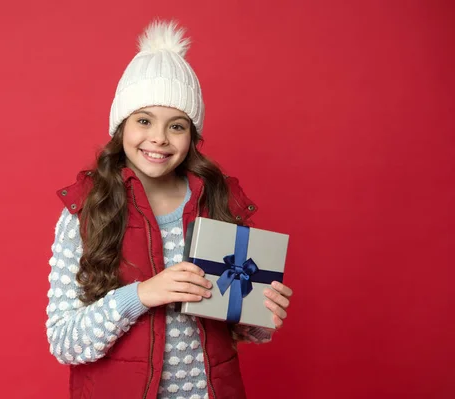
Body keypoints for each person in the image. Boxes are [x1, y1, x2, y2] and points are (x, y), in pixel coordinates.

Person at [45, 20, 294, 399]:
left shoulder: (217, 202)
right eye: (144, 120)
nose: (159, 137)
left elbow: (241, 325)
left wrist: (262, 317)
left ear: (191, 136)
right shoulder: (85, 213)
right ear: (121, 127)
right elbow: (65, 341)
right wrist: (142, 294)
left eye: (176, 126)